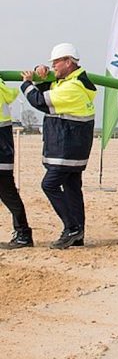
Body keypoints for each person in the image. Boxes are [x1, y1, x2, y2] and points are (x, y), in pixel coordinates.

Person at [21, 43, 96, 249]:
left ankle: (71, 227)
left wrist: (27, 84)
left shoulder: (73, 87)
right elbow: (52, 91)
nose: (53, 66)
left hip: (67, 148)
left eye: (55, 62)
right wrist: (40, 71)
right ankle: (78, 235)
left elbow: (41, 102)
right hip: (73, 148)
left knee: (49, 185)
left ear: (68, 62)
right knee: (72, 188)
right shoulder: (70, 82)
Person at [0, 76, 33, 248]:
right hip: (4, 150)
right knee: (8, 194)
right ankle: (22, 233)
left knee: (8, 194)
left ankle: (23, 233)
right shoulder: (2, 89)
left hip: (1, 152)